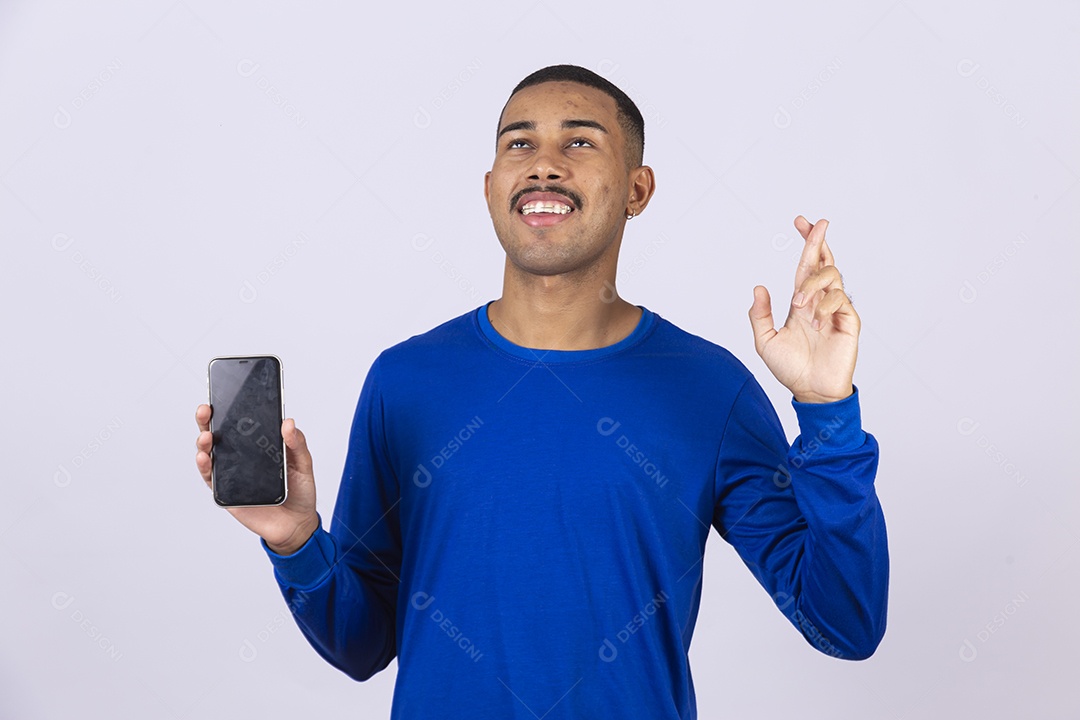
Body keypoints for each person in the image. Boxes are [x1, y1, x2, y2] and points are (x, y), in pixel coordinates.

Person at [194, 64, 888, 719]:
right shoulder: (405, 381)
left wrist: (829, 415)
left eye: (580, 141)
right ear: (492, 184)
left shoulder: (710, 389)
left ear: (638, 188)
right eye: (519, 143)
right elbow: (362, 645)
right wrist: (296, 542)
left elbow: (844, 623)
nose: (544, 162)